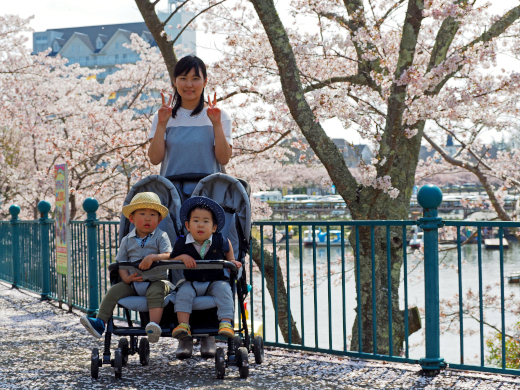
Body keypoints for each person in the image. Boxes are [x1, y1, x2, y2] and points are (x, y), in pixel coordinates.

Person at [148, 54, 233, 357]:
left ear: (205, 81)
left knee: (209, 258)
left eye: (195, 78)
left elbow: (223, 159)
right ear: (175, 81)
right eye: (183, 78)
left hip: (206, 196)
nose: (189, 84)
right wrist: (160, 124)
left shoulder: (217, 115)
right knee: (178, 261)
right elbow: (155, 158)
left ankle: (209, 333)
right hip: (172, 196)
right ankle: (183, 334)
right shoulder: (165, 115)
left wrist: (216, 124)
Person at [80, 192, 172, 344]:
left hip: (157, 280)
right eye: (142, 214)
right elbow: (121, 262)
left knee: (156, 292)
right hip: (135, 282)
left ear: (159, 219)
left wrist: (152, 257)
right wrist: (126, 278)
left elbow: (168, 254)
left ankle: (153, 326)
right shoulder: (127, 240)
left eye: (152, 215)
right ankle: (100, 323)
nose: (147, 218)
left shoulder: (161, 236)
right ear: (132, 219)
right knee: (113, 291)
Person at [170, 196, 242, 342]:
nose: (200, 225)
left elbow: (228, 250)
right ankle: (183, 325)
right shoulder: (182, 242)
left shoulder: (220, 240)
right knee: (183, 293)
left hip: (215, 280)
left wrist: (232, 261)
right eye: (195, 221)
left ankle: (226, 322)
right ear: (188, 225)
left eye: (205, 221)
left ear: (214, 227)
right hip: (192, 280)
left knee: (225, 290)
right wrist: (183, 257)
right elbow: (172, 258)